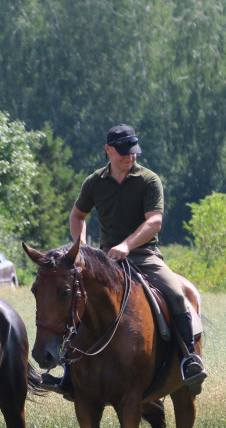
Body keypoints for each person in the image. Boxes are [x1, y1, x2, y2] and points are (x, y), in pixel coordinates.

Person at [42, 123, 206, 397]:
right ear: (108, 151)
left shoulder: (149, 180)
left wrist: (127, 245)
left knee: (177, 295)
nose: (129, 157)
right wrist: (80, 246)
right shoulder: (94, 182)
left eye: (133, 152)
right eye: (123, 152)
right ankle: (69, 372)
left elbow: (154, 221)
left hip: (145, 256)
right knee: (76, 300)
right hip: (106, 260)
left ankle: (189, 359)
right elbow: (77, 216)